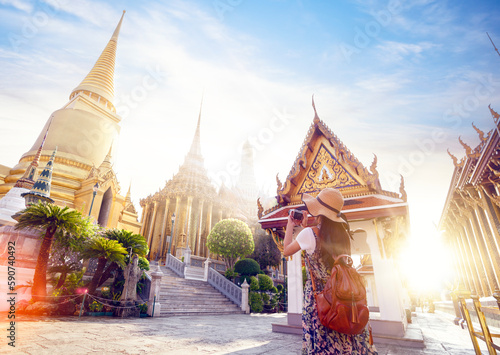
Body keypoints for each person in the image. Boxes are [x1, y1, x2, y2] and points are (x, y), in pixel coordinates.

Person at [283, 187, 377, 355]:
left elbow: (287, 250)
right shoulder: (344, 235)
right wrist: (307, 228)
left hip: (321, 301)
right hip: (344, 297)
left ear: (319, 212)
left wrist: (291, 224)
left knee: (323, 343)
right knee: (344, 339)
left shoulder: (308, 234)